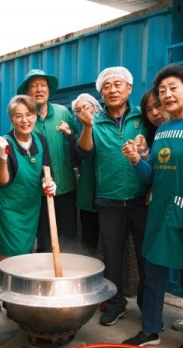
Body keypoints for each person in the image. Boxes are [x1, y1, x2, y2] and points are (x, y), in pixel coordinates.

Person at [122, 63, 183, 348]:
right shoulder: (162, 128)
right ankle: (151, 329)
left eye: (173, 88)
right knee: (152, 273)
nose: (166, 95)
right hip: (159, 213)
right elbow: (154, 176)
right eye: (162, 90)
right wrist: (137, 161)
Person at [78, 67, 149, 325]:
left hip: (142, 200)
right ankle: (117, 304)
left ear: (129, 89)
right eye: (106, 86)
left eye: (118, 84)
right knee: (113, 257)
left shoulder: (144, 117)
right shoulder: (94, 121)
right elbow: (85, 154)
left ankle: (147, 307)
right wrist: (86, 127)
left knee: (145, 257)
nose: (112, 90)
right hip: (108, 200)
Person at [16, 69, 79, 253]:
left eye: (43, 85)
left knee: (69, 239)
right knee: (44, 242)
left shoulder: (62, 113)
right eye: (34, 86)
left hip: (66, 187)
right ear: (27, 92)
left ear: (49, 89)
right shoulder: (25, 118)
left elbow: (75, 143)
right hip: (38, 193)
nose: (39, 89)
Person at [0, 95, 55, 257]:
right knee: (15, 255)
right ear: (12, 120)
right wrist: (2, 157)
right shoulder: (4, 142)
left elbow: (46, 170)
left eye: (29, 114)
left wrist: (48, 182)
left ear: (36, 116)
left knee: (32, 253)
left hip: (32, 207)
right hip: (11, 209)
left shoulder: (40, 140)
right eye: (18, 116)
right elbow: (3, 181)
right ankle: (11, 282)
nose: (25, 120)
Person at [71, 94, 102, 257]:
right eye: (78, 110)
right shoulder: (78, 134)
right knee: (88, 243)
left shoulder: (106, 128)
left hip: (108, 196)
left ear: (96, 107)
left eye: (86, 107)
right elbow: (81, 156)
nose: (82, 111)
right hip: (86, 197)